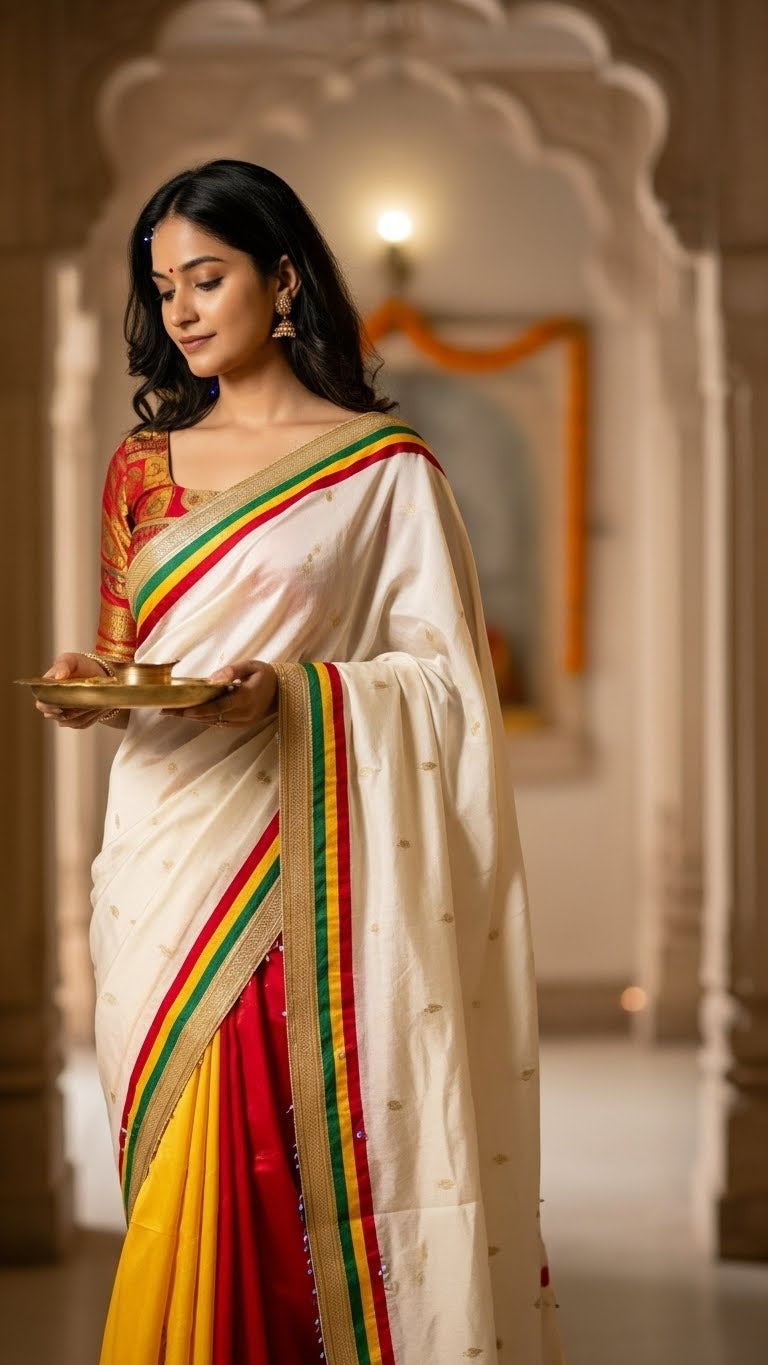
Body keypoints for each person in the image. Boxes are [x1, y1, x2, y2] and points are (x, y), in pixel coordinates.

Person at [39, 160, 563, 1364]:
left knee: (286, 1170)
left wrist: (292, 693)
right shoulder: (142, 464)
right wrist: (95, 686)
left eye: (206, 276)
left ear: (282, 281)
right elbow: (138, 658)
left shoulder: (382, 473)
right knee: (179, 1164)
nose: (179, 309)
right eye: (162, 285)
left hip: (301, 876)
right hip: (164, 863)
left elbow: (445, 688)